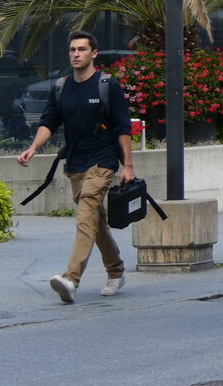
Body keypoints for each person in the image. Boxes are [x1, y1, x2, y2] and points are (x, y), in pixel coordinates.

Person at [18, 30, 135, 304]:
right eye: (72, 49)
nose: (76, 54)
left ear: (94, 53)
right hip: (76, 165)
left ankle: (71, 279)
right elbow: (49, 121)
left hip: (103, 162)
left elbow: (123, 128)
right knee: (95, 221)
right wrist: (33, 149)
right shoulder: (61, 87)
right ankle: (116, 271)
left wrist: (128, 165)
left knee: (85, 216)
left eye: (82, 49)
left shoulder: (107, 85)